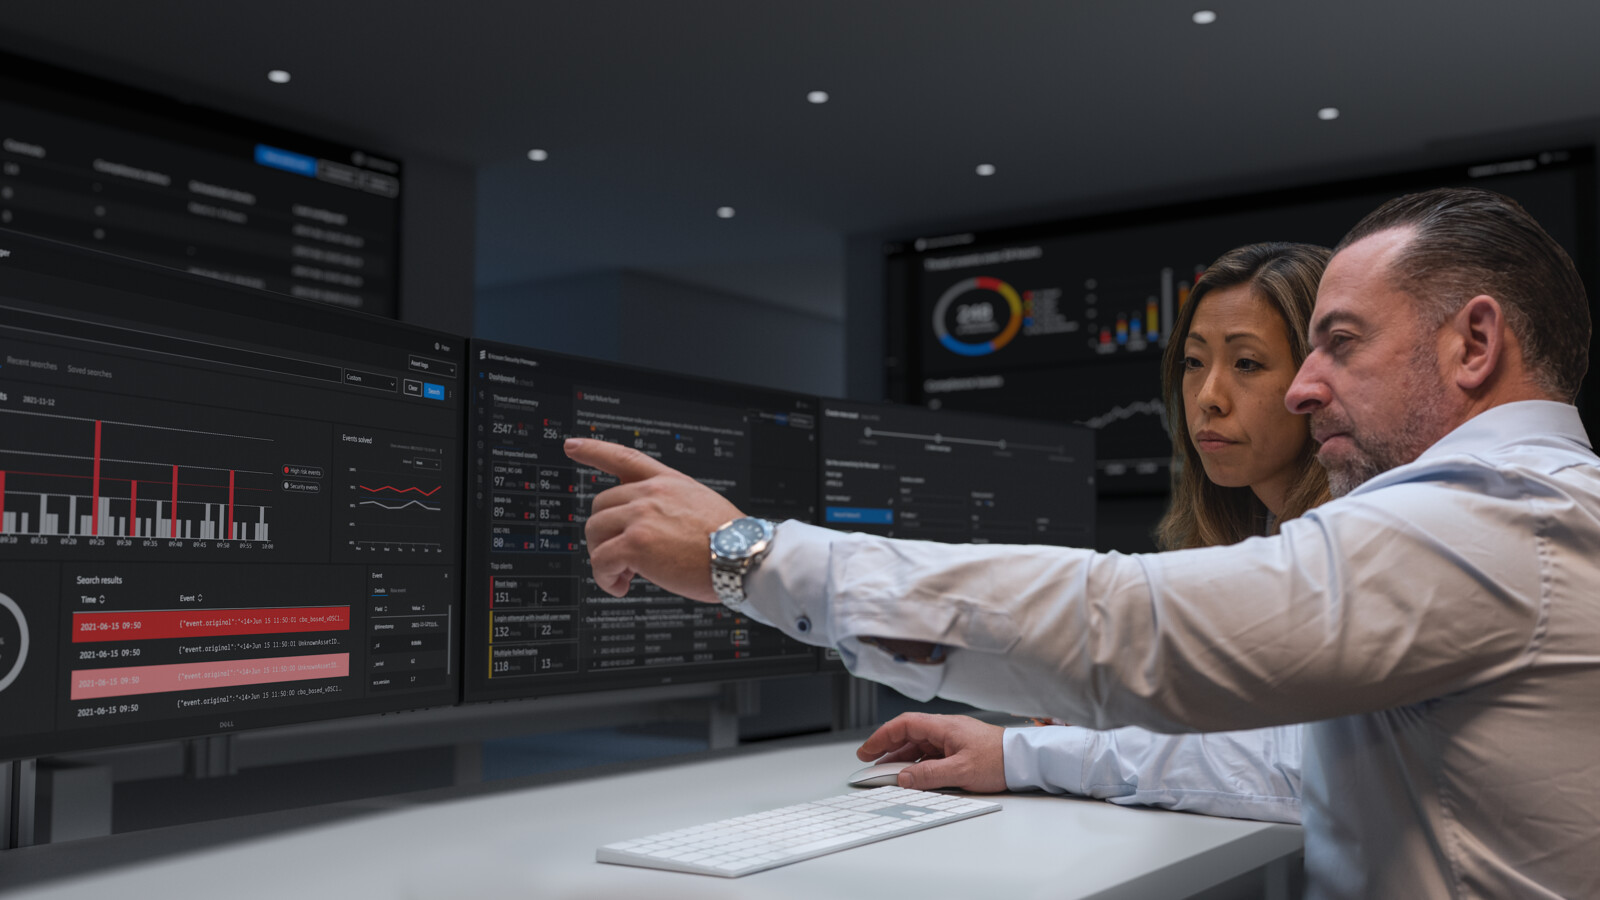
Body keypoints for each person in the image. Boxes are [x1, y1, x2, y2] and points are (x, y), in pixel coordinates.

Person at [567, 187, 1600, 899]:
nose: (1297, 387)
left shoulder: (1495, 513)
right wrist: (1023, 752)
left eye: (1338, 344)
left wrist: (746, 553)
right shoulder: (1541, 509)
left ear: (1473, 343)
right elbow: (1296, 770)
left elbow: (1132, 626)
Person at [859, 241, 1332, 825]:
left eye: (1247, 363)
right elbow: (1251, 729)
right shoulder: (1253, 533)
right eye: (1193, 362)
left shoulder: (1354, 548)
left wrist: (1023, 756)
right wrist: (1114, 721)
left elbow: (1301, 765)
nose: (1208, 397)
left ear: (1320, 381)